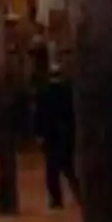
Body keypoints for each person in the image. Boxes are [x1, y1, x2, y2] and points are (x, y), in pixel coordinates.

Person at [33, 68, 80, 209]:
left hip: (50, 136)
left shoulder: (43, 93)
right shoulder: (69, 91)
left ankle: (56, 200)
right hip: (66, 135)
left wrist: (39, 134)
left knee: (52, 171)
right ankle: (79, 195)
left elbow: (39, 116)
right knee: (69, 168)